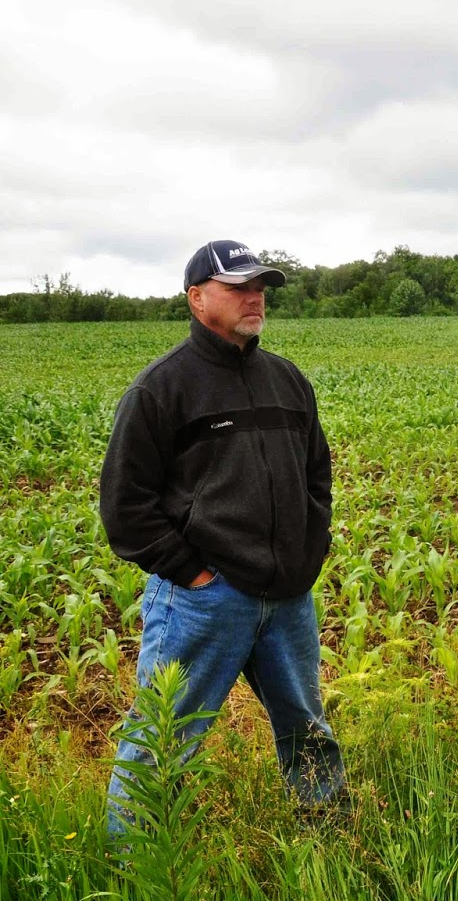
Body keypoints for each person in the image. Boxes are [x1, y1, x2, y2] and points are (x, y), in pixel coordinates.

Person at [101, 240, 345, 830]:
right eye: (237, 287)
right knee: (163, 739)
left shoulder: (287, 380)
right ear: (196, 298)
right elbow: (126, 507)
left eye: (259, 287)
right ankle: (131, 863)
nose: (254, 297)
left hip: (288, 597)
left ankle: (329, 839)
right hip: (205, 600)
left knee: (307, 727)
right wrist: (195, 575)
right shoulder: (161, 389)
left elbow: (317, 475)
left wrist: (308, 552)